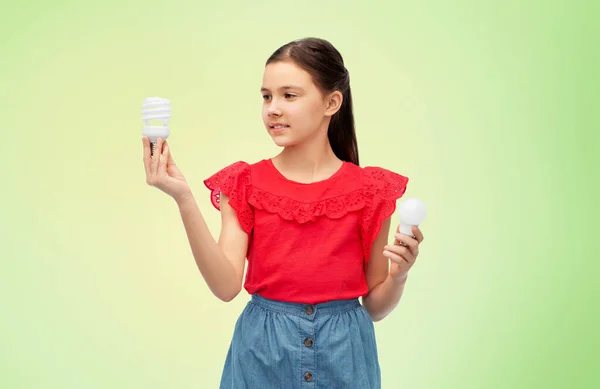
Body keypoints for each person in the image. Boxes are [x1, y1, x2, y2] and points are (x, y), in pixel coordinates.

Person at [142, 37, 424, 389]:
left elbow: (375, 307)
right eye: (266, 96)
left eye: (289, 96)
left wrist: (399, 275)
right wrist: (184, 199)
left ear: (331, 102)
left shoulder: (371, 191)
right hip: (261, 354)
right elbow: (226, 286)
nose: (273, 108)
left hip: (345, 357)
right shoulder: (244, 183)